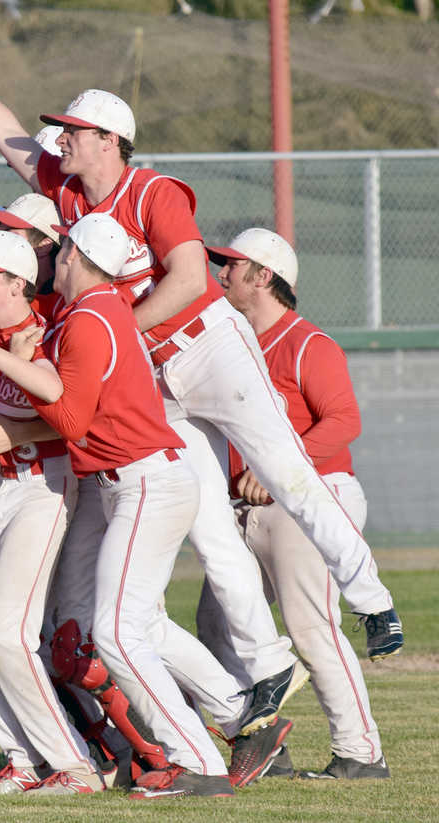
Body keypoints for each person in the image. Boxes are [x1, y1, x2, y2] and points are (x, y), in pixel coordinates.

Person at [0, 22, 402, 672]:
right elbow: (1, 130)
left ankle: (373, 602)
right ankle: (265, 666)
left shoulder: (151, 191)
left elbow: (191, 276)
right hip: (158, 372)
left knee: (287, 471)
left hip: (209, 348)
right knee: (208, 523)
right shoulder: (63, 188)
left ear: (110, 141)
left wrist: (123, 332)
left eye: (74, 131)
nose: (61, 139)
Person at [0, 212, 261, 798]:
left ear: (70, 257)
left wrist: (3, 357)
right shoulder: (90, 312)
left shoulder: (87, 319)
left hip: (143, 480)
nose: (52, 257)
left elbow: (69, 419)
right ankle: (235, 714)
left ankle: (197, 758)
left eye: (60, 250)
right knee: (103, 628)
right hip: (119, 482)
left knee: (116, 633)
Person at [196, 228, 391, 780]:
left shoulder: (308, 343)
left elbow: (343, 422)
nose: (222, 271)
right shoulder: (228, 342)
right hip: (246, 508)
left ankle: (361, 753)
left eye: (234, 265)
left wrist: (275, 469)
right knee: (217, 623)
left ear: (265, 277)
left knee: (311, 627)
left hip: (310, 501)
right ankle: (262, 745)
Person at [0, 230, 104, 794]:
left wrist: (12, 430)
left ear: (18, 283)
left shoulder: (48, 333)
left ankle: (75, 764)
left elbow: (76, 418)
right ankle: (21, 758)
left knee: (7, 634)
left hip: (43, 489)